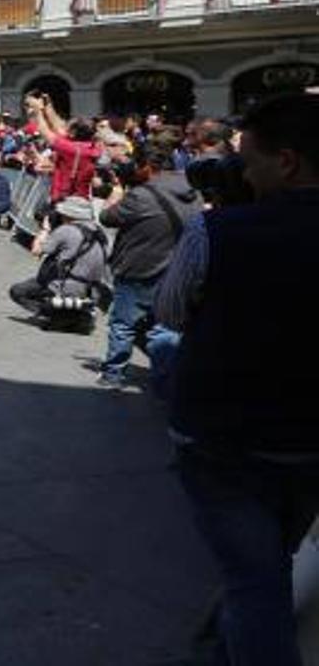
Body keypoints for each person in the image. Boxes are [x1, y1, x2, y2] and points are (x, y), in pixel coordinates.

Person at [157, 93, 319, 665]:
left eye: (248, 161)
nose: (240, 172)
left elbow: (170, 312)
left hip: (222, 436)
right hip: (308, 443)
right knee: (267, 561)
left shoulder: (216, 231)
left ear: (288, 162)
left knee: (257, 584)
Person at [93, 137, 196, 389]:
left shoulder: (141, 195)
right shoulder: (193, 189)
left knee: (123, 325)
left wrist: (116, 192)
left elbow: (107, 217)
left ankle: (113, 375)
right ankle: (164, 380)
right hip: (177, 269)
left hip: (139, 268)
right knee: (165, 328)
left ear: (147, 166)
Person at [8, 196, 109, 332]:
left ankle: (56, 315)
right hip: (91, 290)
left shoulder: (66, 230)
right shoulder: (100, 232)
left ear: (67, 214)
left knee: (17, 291)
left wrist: (45, 229)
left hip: (63, 286)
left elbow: (36, 251)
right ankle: (75, 315)